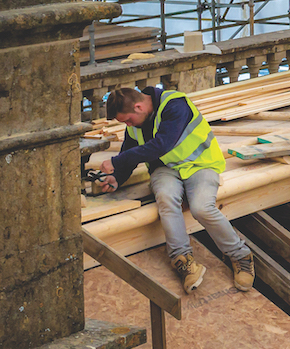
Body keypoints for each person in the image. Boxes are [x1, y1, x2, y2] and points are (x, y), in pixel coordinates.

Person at [97, 86, 255, 293]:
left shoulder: (175, 105)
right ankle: (184, 261)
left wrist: (117, 160)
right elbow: (130, 151)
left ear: (138, 106)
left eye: (127, 120)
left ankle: (240, 255)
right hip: (165, 169)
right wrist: (116, 177)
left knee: (201, 208)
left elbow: (162, 144)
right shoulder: (135, 121)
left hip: (200, 164)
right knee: (165, 198)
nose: (127, 125)